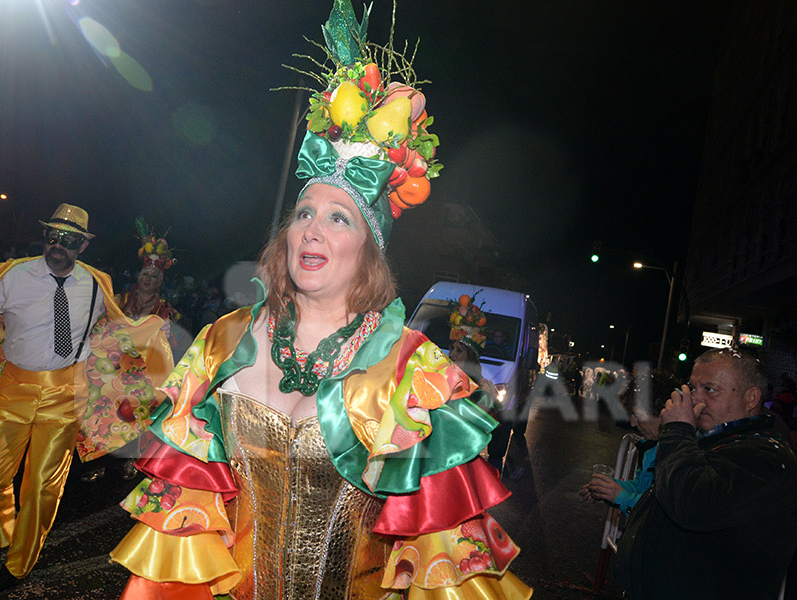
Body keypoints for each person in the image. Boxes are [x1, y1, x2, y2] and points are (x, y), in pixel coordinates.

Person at [110, 4, 532, 598]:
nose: (312, 229)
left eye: (339, 218)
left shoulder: (410, 372)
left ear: (370, 250)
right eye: (304, 213)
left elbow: (443, 564)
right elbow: (182, 533)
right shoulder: (223, 344)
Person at [0, 204, 173, 593]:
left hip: (66, 395)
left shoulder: (98, 283)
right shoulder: (11, 274)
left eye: (69, 239)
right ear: (45, 235)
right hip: (14, 388)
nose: (58, 244)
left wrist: (152, 355)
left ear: (82, 245)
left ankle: (17, 564)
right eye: (53, 235)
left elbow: (114, 331)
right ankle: (1, 533)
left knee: (44, 486)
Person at [615, 348, 797, 599]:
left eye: (709, 389)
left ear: (751, 398)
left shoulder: (767, 459)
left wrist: (678, 430)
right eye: (692, 388)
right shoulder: (714, 440)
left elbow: (692, 503)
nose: (695, 400)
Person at [81, 221, 183, 482]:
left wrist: (167, 334)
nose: (148, 280)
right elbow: (104, 322)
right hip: (114, 366)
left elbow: (169, 346)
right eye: (145, 275)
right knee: (104, 412)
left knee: (133, 415)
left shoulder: (164, 308)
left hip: (143, 373)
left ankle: (129, 461)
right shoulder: (122, 299)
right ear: (138, 276)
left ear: (160, 281)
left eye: (154, 277)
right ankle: (97, 459)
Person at [579, 370, 679, 514]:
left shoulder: (680, 455)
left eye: (637, 416)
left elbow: (661, 515)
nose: (633, 423)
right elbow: (642, 488)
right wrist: (607, 489)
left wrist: (619, 496)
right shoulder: (653, 447)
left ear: (663, 414)